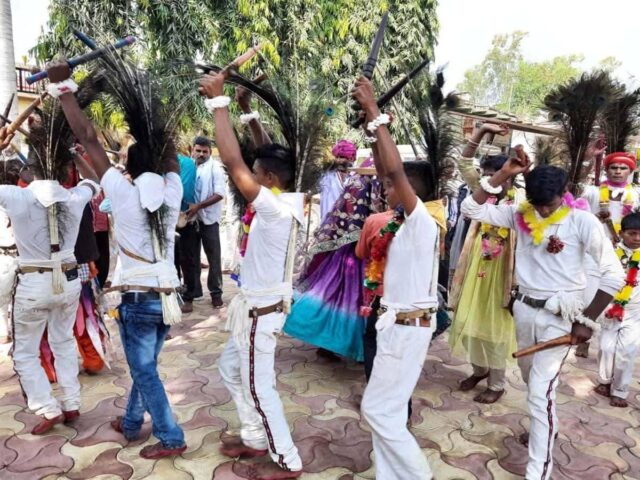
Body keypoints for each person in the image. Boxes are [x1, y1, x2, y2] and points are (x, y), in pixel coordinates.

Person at [54, 60, 187, 459]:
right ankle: (131, 423)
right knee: (146, 366)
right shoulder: (173, 189)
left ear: (127, 166)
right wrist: (156, 130)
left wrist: (64, 89)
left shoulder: (122, 191)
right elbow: (170, 160)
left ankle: (171, 437)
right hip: (167, 296)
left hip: (139, 299)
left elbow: (88, 136)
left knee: (144, 370)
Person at [461, 161, 624, 480]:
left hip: (561, 315)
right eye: (537, 204)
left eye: (549, 204)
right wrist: (503, 174)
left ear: (565, 193)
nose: (543, 211)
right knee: (531, 381)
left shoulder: (582, 221)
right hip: (524, 309)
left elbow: (613, 274)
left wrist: (587, 320)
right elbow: (471, 208)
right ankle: (547, 425)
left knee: (539, 391)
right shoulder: (519, 214)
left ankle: (538, 471)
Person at [200, 71, 304, 479]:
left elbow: (234, 163)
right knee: (230, 369)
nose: (251, 180)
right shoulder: (284, 197)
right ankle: (255, 436)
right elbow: (265, 157)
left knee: (261, 388)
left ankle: (288, 459)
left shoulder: (276, 209)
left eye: (256, 176)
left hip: (262, 314)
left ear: (269, 182)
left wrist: (219, 103)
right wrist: (247, 110)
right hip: (252, 311)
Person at [352, 76, 439, 479]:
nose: (385, 189)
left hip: (406, 328)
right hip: (396, 324)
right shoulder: (401, 223)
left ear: (410, 192)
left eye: (392, 187)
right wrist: (371, 131)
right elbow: (388, 168)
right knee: (384, 408)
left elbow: (395, 171)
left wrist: (374, 110)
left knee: (377, 410)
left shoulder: (422, 221)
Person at [2, 89, 100, 435]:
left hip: (34, 283)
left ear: (29, 172)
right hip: (68, 282)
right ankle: (71, 403)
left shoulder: (15, 196)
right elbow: (95, 182)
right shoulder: (75, 196)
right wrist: (74, 154)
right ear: (62, 169)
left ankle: (48, 407)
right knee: (63, 342)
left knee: (25, 352)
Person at [448, 123, 520, 404]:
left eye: (496, 176)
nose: (490, 181)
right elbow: (464, 163)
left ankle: (497, 383)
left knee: (496, 330)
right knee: (469, 322)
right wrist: (480, 132)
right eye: (487, 176)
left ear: (510, 176)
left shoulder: (520, 204)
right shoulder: (480, 194)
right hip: (475, 267)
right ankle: (480, 370)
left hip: (503, 274)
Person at [580, 151, 639, 358]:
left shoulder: (636, 195)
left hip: (624, 252)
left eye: (623, 168)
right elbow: (577, 202)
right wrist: (589, 158)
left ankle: (608, 342)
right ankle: (584, 338)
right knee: (589, 294)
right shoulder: (593, 192)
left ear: (630, 172)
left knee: (617, 294)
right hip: (593, 251)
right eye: (614, 167)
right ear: (607, 170)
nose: (618, 171)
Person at [595, 212, 640, 407]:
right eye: (632, 233)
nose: (637, 238)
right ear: (621, 234)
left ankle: (620, 390)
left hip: (635, 311)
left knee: (627, 352)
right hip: (610, 307)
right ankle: (604, 381)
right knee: (606, 347)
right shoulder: (611, 253)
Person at [185, 136, 226, 309]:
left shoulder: (215, 168)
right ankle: (192, 293)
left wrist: (199, 206)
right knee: (190, 257)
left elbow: (220, 194)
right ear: (192, 150)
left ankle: (216, 293)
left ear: (210, 152)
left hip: (209, 219)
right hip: (189, 219)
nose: (201, 154)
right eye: (198, 151)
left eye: (205, 151)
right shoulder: (187, 166)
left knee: (213, 257)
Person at [175, 151, 200, 313]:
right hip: (165, 220)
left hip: (184, 218)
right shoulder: (156, 164)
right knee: (171, 260)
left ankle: (188, 296)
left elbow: (185, 191)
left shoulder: (186, 164)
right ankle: (174, 294)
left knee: (187, 259)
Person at [0, 158, 20, 345]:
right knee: (16, 297)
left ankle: (4, 331)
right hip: (19, 255)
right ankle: (9, 331)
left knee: (3, 298)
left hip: (7, 255)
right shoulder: (22, 199)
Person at [319, 140, 357, 221]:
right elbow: (325, 204)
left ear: (351, 158)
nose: (338, 160)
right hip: (331, 220)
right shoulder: (328, 178)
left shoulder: (357, 178)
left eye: (342, 157)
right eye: (337, 157)